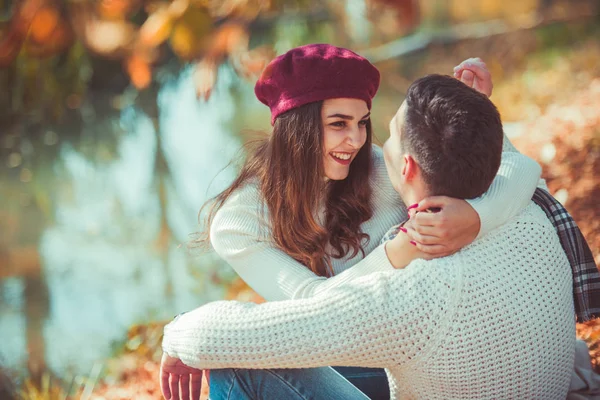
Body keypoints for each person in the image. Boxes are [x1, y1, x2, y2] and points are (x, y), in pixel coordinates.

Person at [160, 74, 577, 399]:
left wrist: (176, 333)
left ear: (408, 168)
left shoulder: (408, 299)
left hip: (410, 339)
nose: (364, 143)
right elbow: (515, 161)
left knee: (238, 359)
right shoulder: (526, 208)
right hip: (488, 373)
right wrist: (478, 211)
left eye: (384, 134)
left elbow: (219, 337)